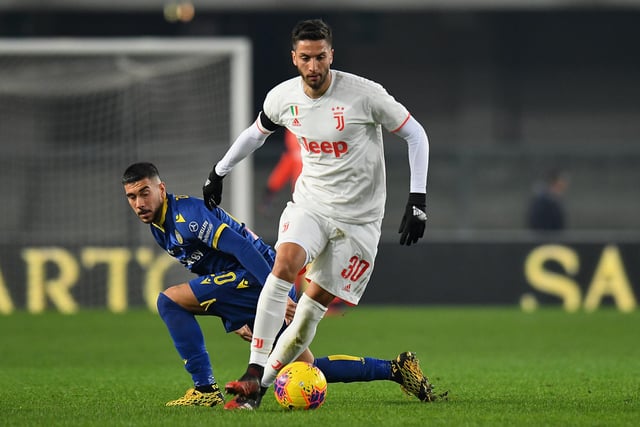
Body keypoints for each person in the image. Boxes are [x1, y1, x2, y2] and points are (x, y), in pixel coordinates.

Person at [201, 19, 431, 410]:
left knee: (312, 308)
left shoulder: (364, 95)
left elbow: (415, 134)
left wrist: (418, 199)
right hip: (311, 204)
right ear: (294, 58)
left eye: (320, 57)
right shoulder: (283, 97)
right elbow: (257, 132)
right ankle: (254, 371)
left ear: (331, 55)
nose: (313, 66)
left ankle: (257, 390)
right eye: (305, 58)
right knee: (285, 264)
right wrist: (218, 171)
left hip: (360, 220)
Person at [122, 162, 434, 407]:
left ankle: (204, 388)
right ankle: (396, 369)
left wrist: (277, 293)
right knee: (302, 367)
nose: (139, 203)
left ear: (161, 188)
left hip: (262, 276)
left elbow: (243, 250)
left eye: (144, 192)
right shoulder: (159, 226)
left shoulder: (187, 216)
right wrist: (235, 319)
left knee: (169, 301)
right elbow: (213, 271)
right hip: (251, 283)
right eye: (132, 197)